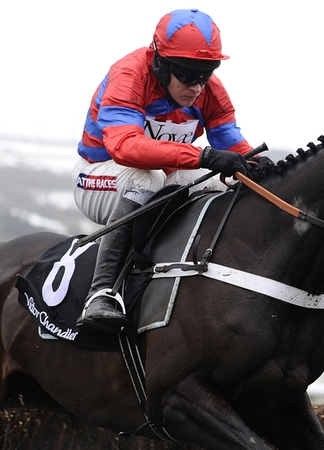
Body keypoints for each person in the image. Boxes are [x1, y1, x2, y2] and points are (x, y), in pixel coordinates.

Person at [72, 9, 258, 334]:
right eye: (188, 75)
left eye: (206, 73)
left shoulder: (209, 90)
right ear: (161, 63)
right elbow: (126, 148)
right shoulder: (129, 76)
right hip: (98, 177)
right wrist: (204, 155)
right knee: (148, 175)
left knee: (218, 184)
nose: (198, 87)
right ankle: (100, 293)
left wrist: (255, 164)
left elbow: (231, 142)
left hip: (153, 179)